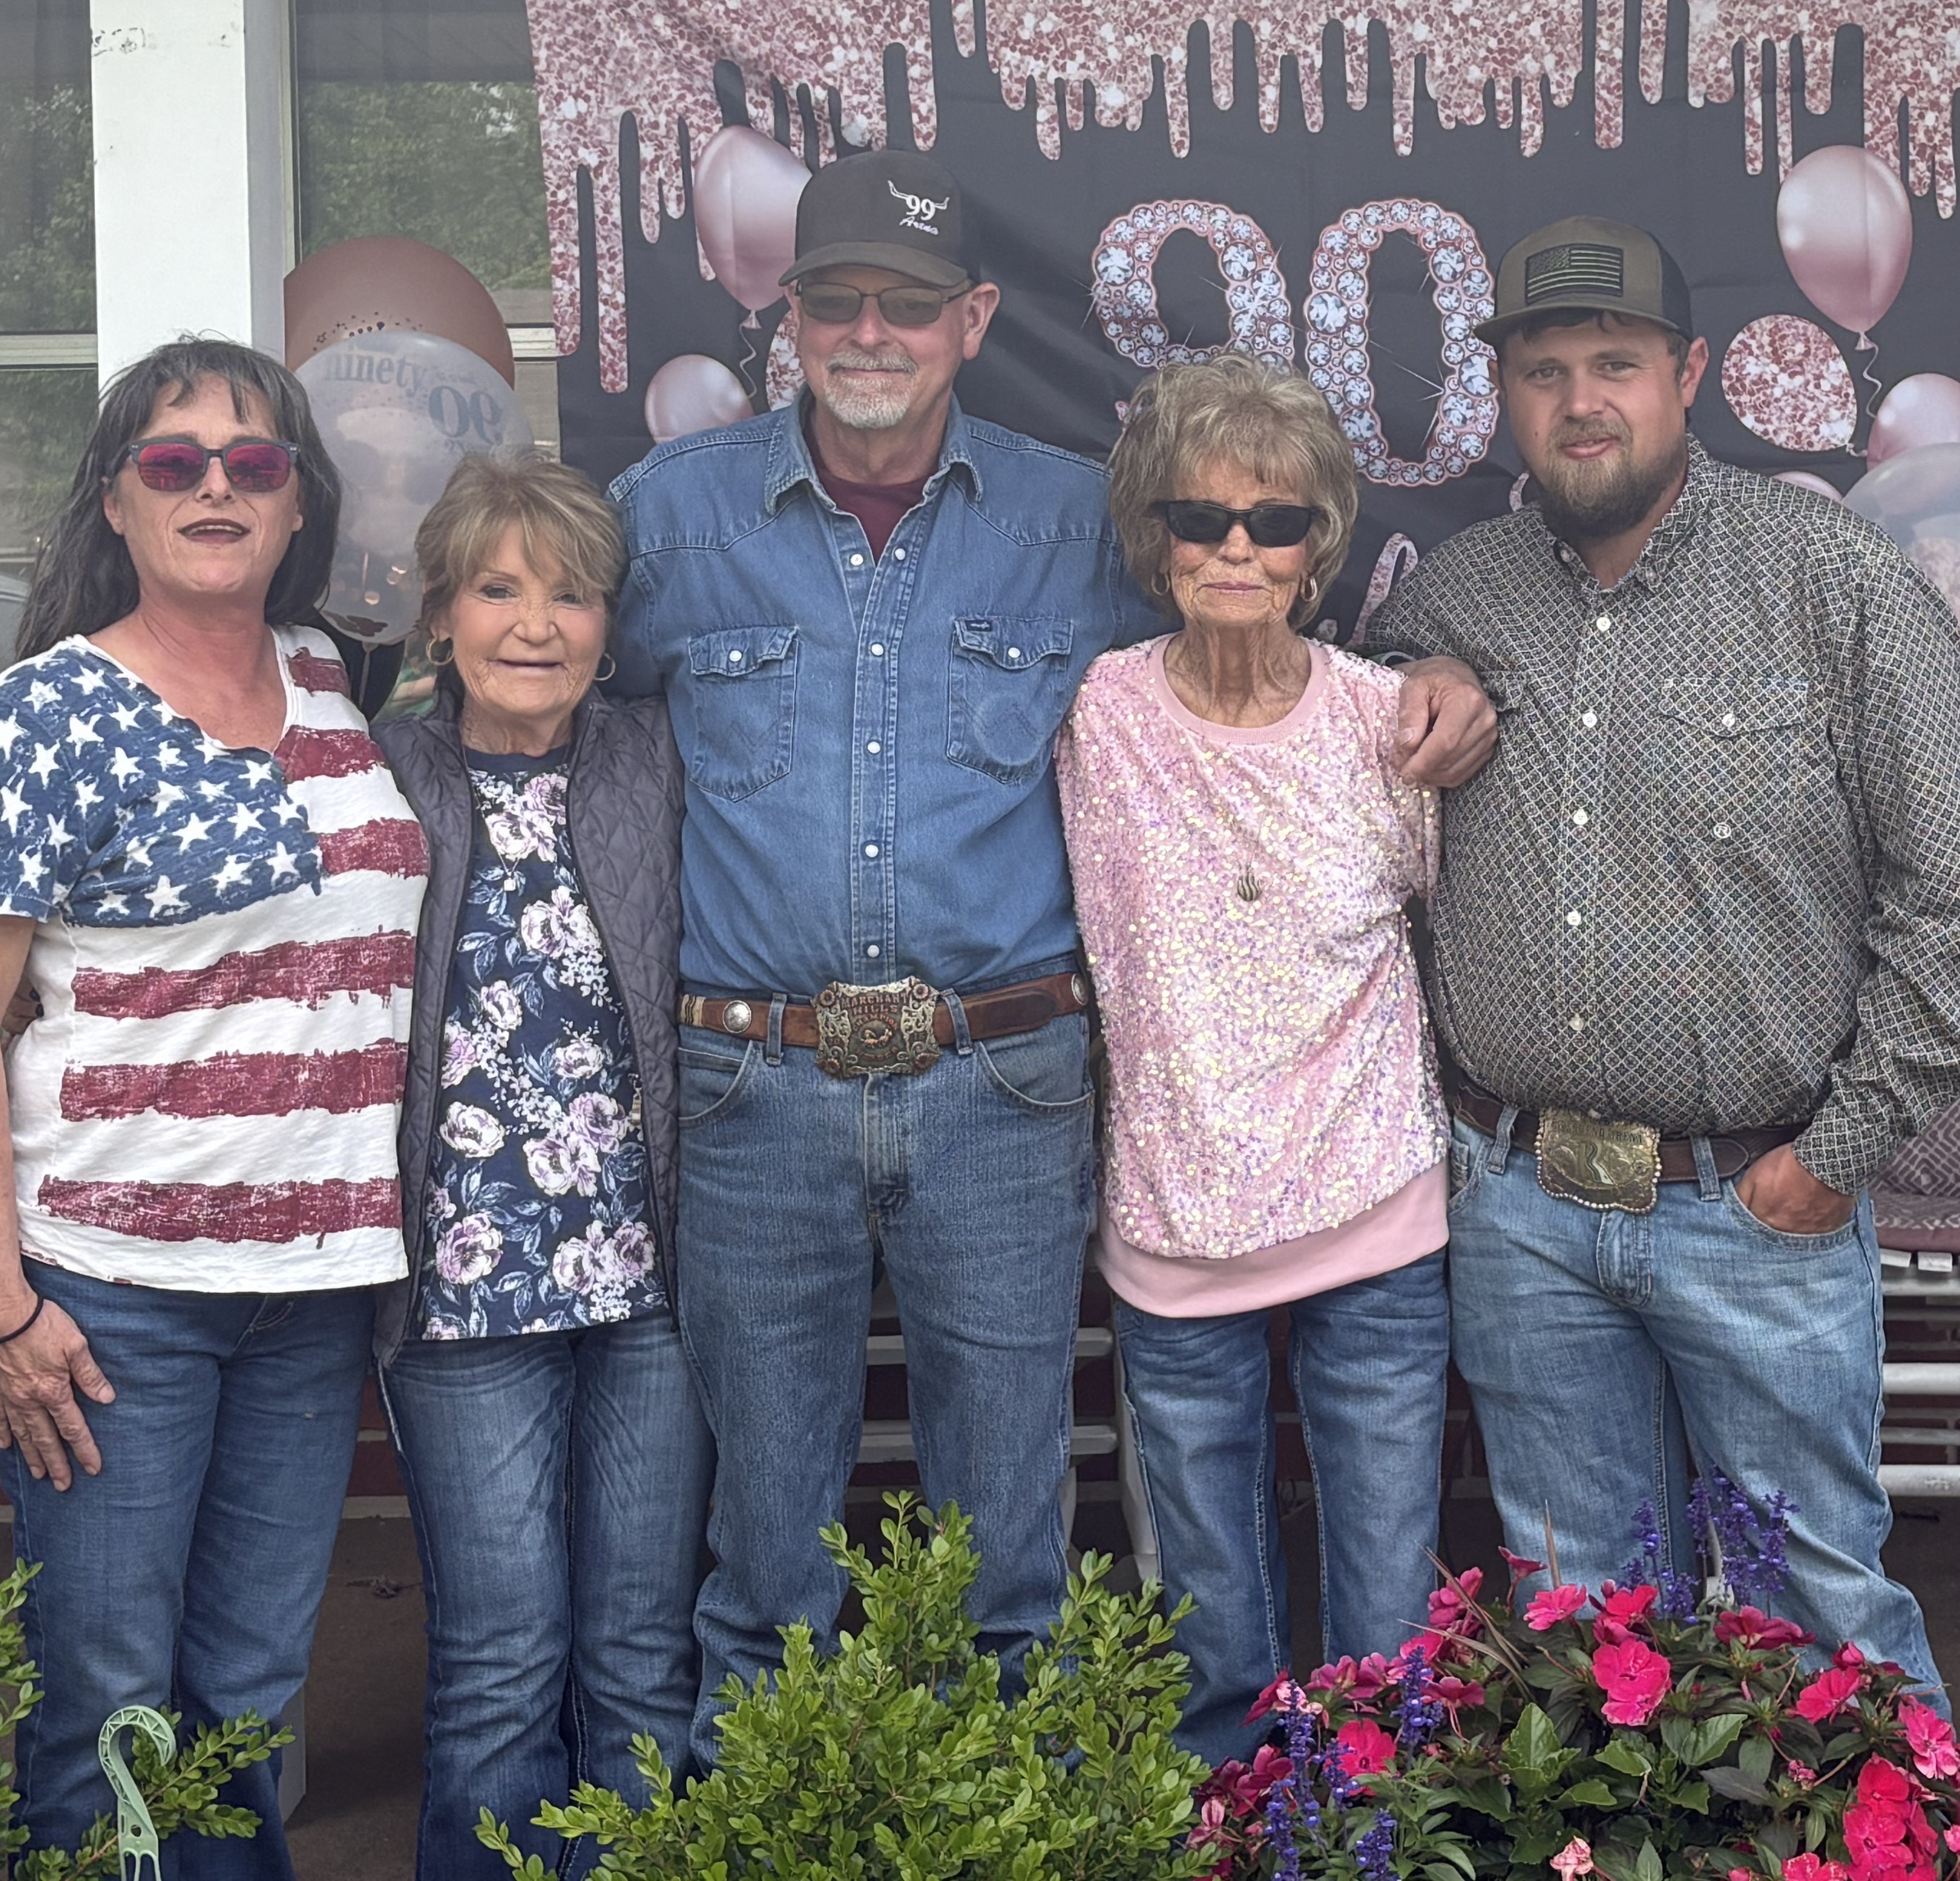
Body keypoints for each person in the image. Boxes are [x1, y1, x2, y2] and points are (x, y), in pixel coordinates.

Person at [606, 147, 1495, 1746]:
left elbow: (1256, 640)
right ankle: (767, 1820)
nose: (870, 333)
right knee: (764, 1536)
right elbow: (543, 712)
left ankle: (1006, 1820)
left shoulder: (1075, 523)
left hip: (999, 1084)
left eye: (908, 304)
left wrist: (1447, 669)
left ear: (973, 319)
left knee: (1011, 1539)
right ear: (787, 314)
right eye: (837, 299)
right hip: (754, 1085)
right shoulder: (671, 521)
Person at [1365, 217, 1960, 1697]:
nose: (1580, 401)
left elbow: (1953, 913)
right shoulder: (1458, 593)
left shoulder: (1836, 583)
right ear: (1506, 397)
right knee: (1581, 1632)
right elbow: (1357, 717)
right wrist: (1418, 668)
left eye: (1616, 364)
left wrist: (1830, 1160)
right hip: (1523, 1207)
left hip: (1755, 1202)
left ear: (1691, 374)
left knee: (1820, 1615)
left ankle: (1918, 1826)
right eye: (1544, 373)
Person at [0, 338, 425, 1872]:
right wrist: (3, 1311)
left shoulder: (342, 682)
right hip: (111, 1296)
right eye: (173, 462)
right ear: (118, 502)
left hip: (315, 1289)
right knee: (104, 1700)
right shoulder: (43, 715)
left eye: (254, 463)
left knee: (248, 1697)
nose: (217, 488)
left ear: (297, 504)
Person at [1053, 352, 1446, 1762]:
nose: (1237, 548)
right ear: (1152, 538)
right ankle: (1240, 1823)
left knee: (1389, 1601)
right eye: (1201, 517)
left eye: (1274, 521)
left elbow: (1444, 914)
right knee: (1213, 1623)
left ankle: (1383, 1821)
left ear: (1318, 543)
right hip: (1175, 1221)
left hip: (1375, 1207)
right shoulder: (1094, 714)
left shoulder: (1386, 719)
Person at [372, 453, 708, 1875]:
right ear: (440, 611)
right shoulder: (381, 773)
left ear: (608, 623)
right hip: (464, 1291)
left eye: (571, 595)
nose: (534, 625)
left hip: (654, 1281)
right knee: (503, 1657)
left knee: (641, 1653)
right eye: (498, 589)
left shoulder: (656, 759)